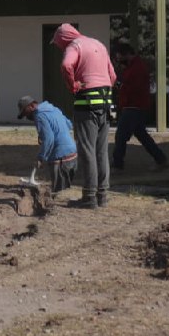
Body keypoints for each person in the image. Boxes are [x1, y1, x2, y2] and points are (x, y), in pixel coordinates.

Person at [51, 23, 117, 208]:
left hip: (86, 106)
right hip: (105, 104)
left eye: (58, 43)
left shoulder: (75, 46)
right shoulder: (98, 44)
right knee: (101, 151)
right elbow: (112, 76)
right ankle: (102, 196)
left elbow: (66, 65)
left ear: (63, 38)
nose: (60, 47)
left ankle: (89, 197)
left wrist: (73, 86)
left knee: (87, 151)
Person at [112, 41, 169, 171]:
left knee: (121, 135)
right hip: (134, 106)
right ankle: (161, 160)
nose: (118, 60)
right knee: (142, 136)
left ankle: (118, 164)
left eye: (119, 57)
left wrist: (119, 86)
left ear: (125, 54)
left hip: (134, 107)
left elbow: (133, 88)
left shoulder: (137, 68)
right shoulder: (132, 67)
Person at [16, 95, 77, 192]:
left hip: (60, 158)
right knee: (64, 190)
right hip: (72, 154)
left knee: (58, 193)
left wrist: (41, 157)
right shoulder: (53, 109)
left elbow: (49, 139)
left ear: (32, 106)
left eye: (25, 113)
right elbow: (69, 125)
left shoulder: (38, 115)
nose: (26, 117)